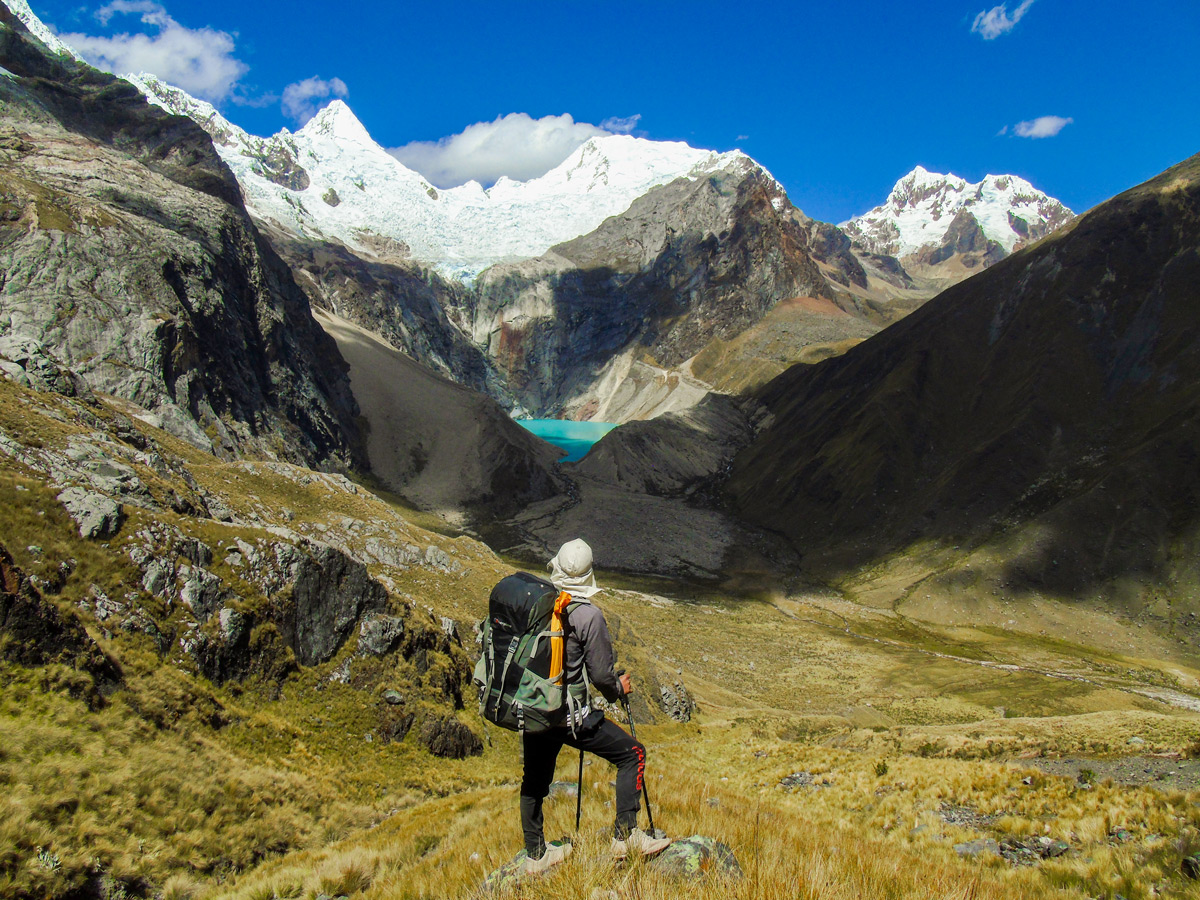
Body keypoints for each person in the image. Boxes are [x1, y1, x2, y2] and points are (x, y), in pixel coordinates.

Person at [519, 538, 672, 874]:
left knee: (534, 780)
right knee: (632, 754)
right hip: (570, 716)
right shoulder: (589, 615)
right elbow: (602, 676)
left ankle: (535, 855)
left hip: (535, 708)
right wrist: (619, 688)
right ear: (588, 576)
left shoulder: (537, 603)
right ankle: (625, 836)